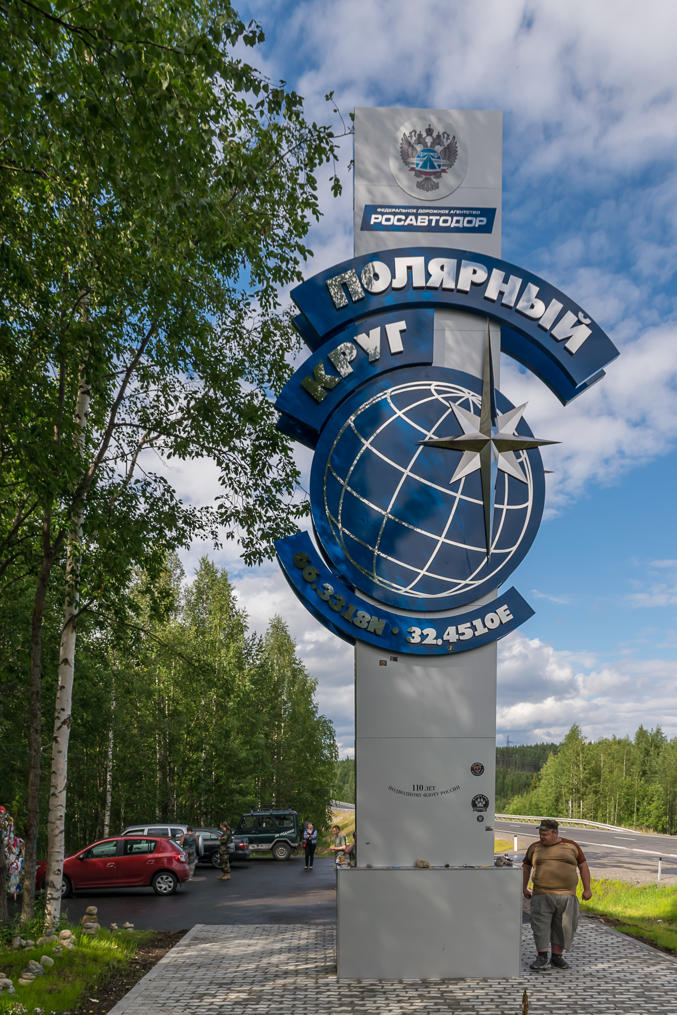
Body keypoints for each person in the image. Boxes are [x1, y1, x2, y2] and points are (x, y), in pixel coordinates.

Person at [522, 818, 592, 971]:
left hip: (566, 896)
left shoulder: (571, 846)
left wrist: (587, 889)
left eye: (545, 834)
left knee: (563, 927)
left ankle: (557, 957)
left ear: (555, 833)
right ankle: (542, 957)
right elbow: (526, 867)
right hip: (541, 894)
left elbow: (583, 866)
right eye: (540, 833)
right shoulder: (534, 847)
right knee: (540, 926)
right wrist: (524, 887)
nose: (541, 837)